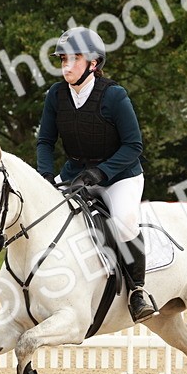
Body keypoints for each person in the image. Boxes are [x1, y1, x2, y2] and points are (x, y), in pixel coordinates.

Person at [36, 26, 158, 322]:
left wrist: (100, 173)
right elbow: (45, 141)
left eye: (73, 59)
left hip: (120, 175)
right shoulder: (56, 95)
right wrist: (46, 176)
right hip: (75, 172)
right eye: (63, 59)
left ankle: (137, 291)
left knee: (125, 222)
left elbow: (134, 145)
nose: (66, 65)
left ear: (93, 63)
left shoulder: (114, 96)